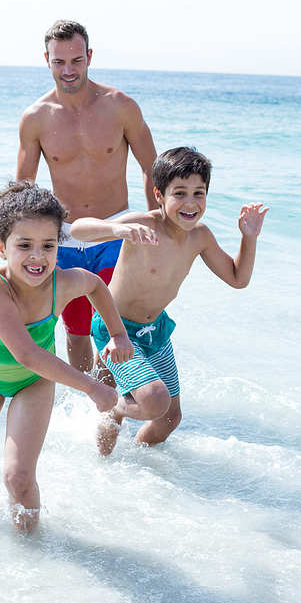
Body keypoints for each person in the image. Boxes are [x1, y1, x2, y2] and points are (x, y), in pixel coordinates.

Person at [0, 180, 133, 532]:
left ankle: (31, 547)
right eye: (24, 245)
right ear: (1, 248)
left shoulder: (62, 283)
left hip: (33, 384)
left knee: (17, 476)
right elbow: (27, 353)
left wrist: (118, 333)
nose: (38, 256)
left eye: (48, 245)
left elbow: (95, 285)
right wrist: (92, 387)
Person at [70, 146, 269, 455]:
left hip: (156, 331)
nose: (190, 203)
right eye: (180, 193)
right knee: (154, 401)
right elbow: (77, 229)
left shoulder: (200, 236)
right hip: (116, 328)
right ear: (159, 195)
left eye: (198, 193)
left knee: (169, 419)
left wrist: (249, 237)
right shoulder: (145, 225)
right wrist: (117, 228)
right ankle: (116, 411)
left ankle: (128, 470)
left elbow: (237, 278)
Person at [17, 19, 158, 373]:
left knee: (114, 327)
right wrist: (14, 242)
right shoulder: (36, 118)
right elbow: (23, 187)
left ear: (90, 56)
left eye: (76, 60)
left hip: (115, 231)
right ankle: (89, 403)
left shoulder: (120, 105)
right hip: (64, 238)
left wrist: (159, 223)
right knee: (76, 332)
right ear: (46, 60)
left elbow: (151, 168)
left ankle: (112, 410)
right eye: (59, 61)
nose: (68, 70)